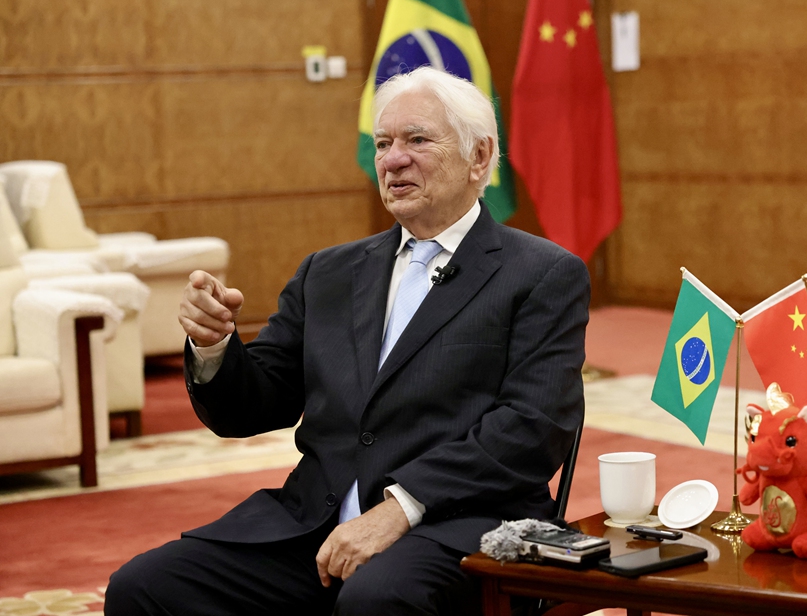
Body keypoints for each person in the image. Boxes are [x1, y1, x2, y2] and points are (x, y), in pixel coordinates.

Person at [105, 67, 589, 616]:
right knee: (144, 588)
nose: (392, 159)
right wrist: (215, 345)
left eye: (417, 140)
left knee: (374, 600)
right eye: (382, 143)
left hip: (459, 522)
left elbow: (531, 427)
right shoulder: (328, 272)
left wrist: (400, 508)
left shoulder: (541, 274)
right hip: (314, 521)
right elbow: (253, 406)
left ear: (479, 157)